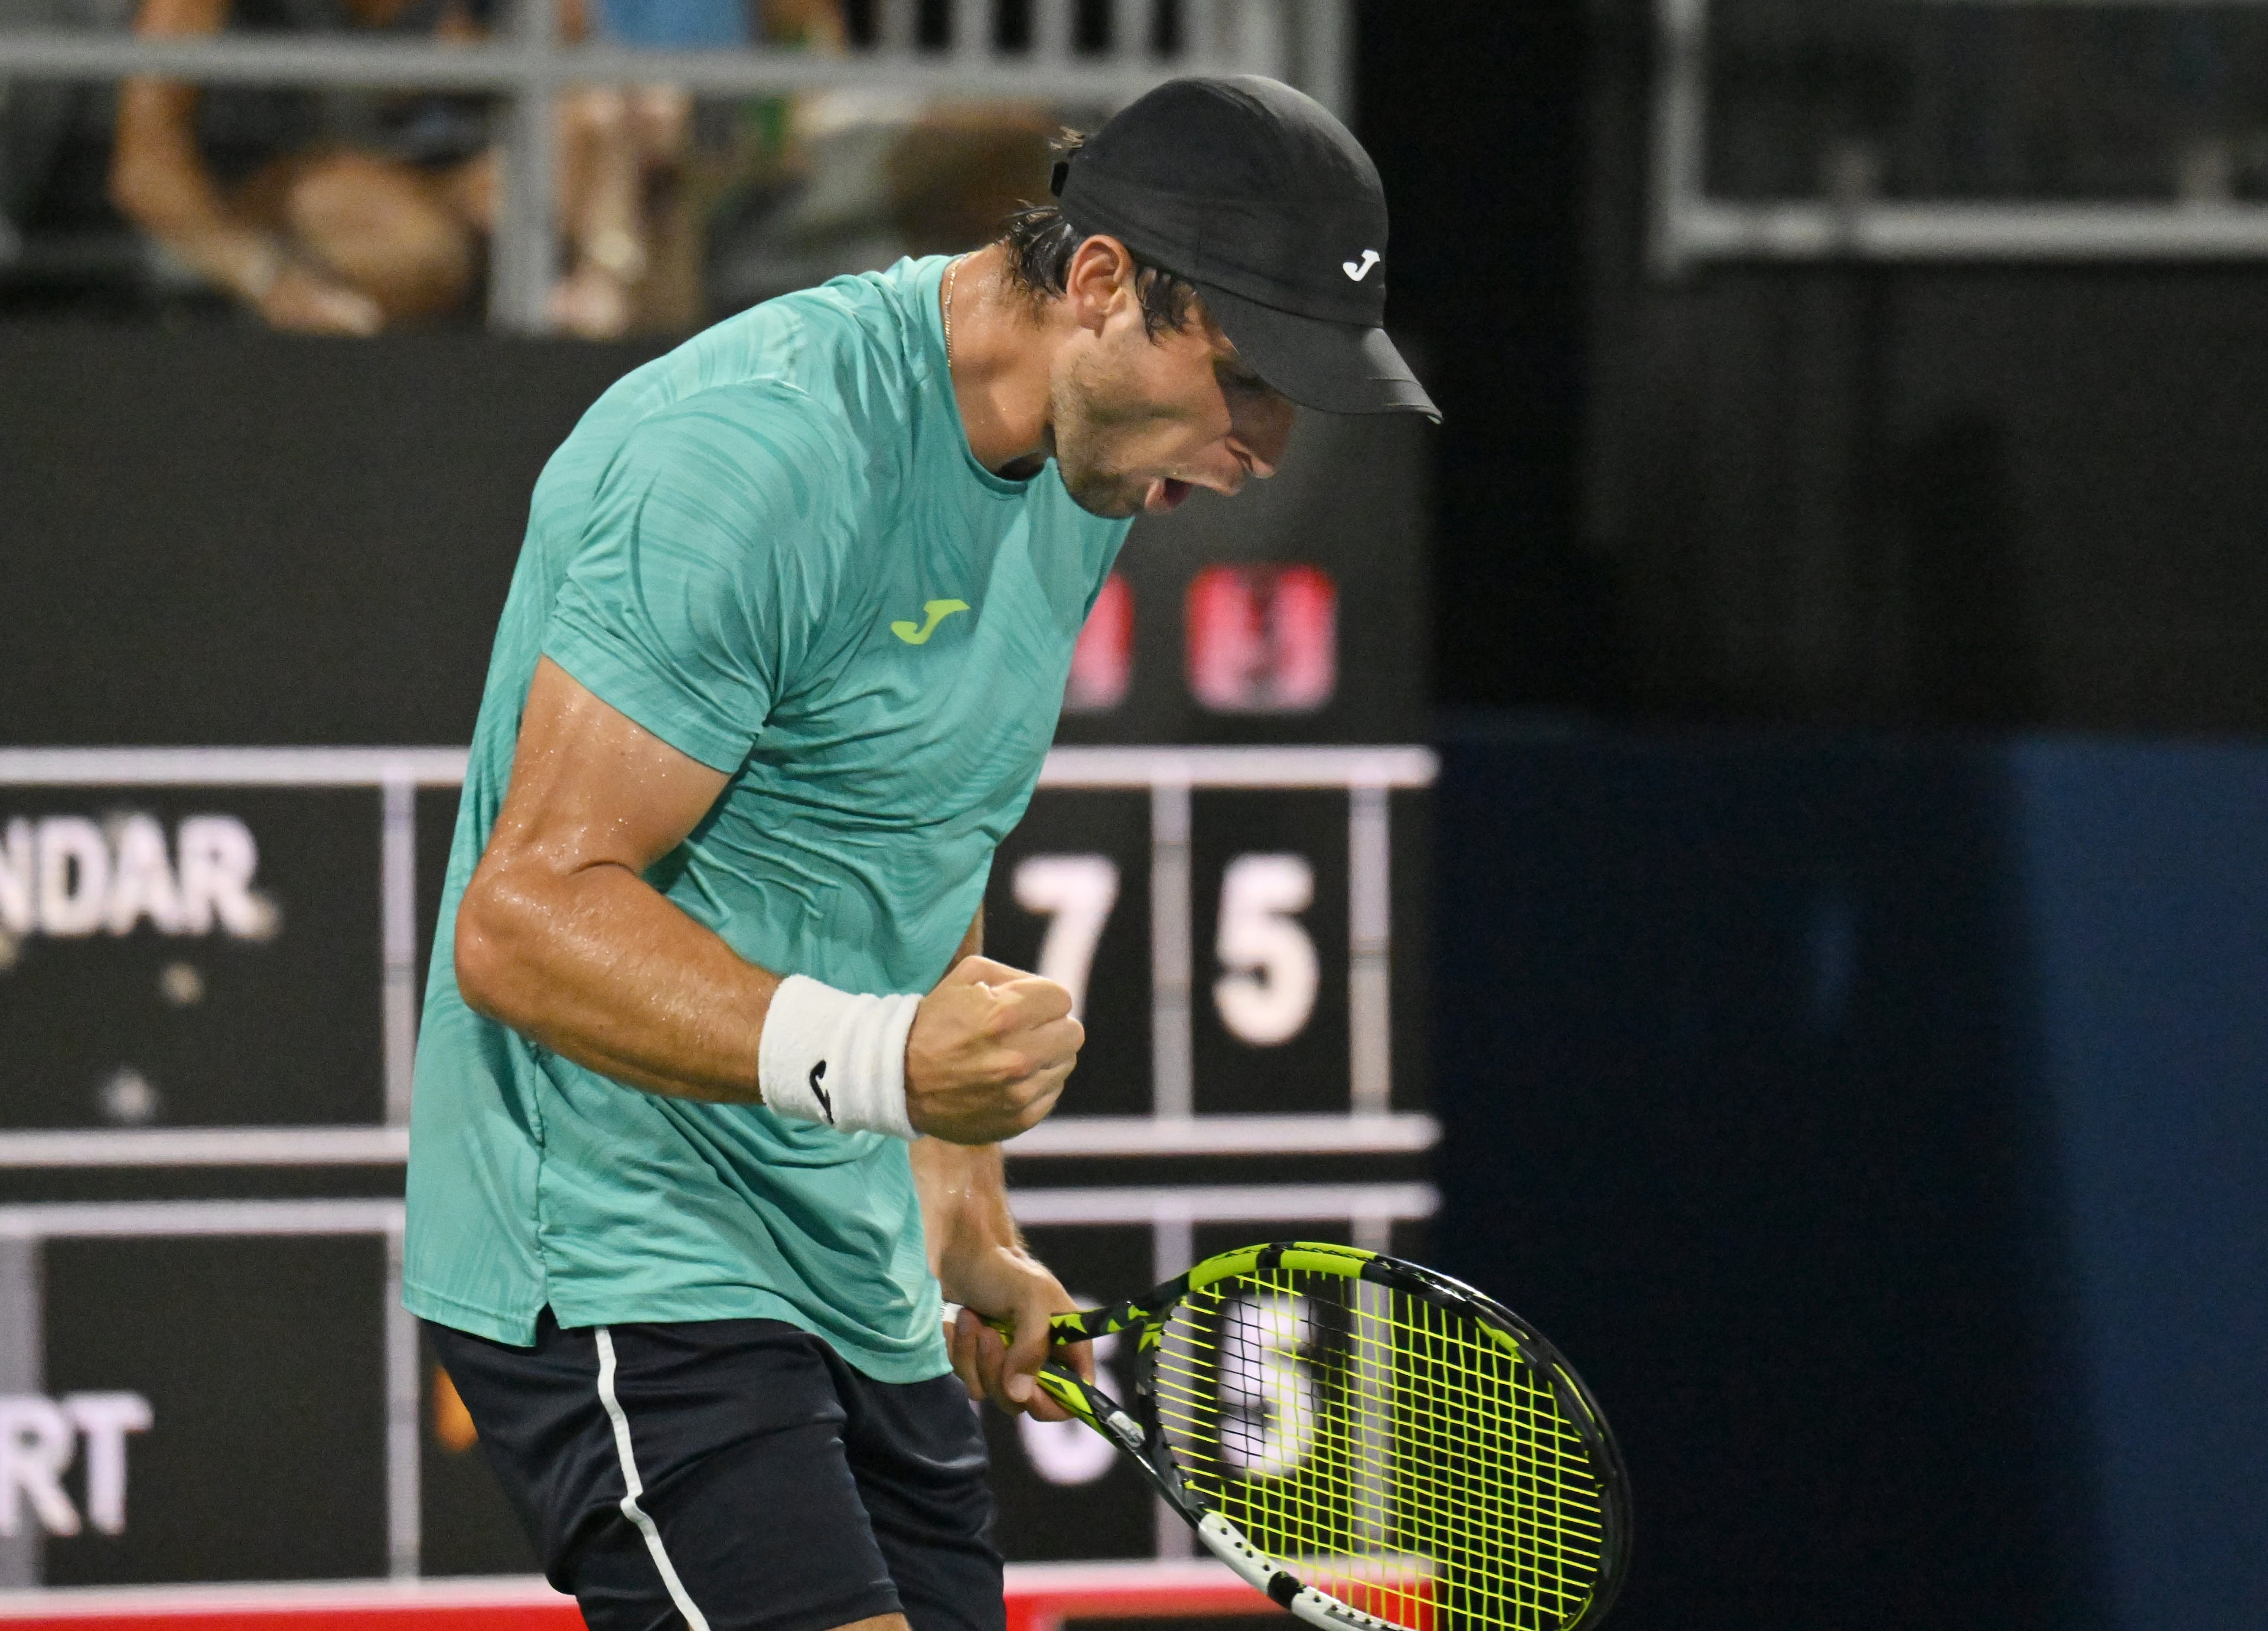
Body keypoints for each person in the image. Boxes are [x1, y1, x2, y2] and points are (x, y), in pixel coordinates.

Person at [405, 74, 1436, 1631]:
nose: (1268, 446)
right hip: (620, 1250)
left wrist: (966, 1216)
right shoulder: (747, 460)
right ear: (1101, 284)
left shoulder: (1093, 471)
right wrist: (886, 1065)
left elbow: (915, 838)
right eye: (1252, 377)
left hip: (855, 1268)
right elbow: (527, 919)